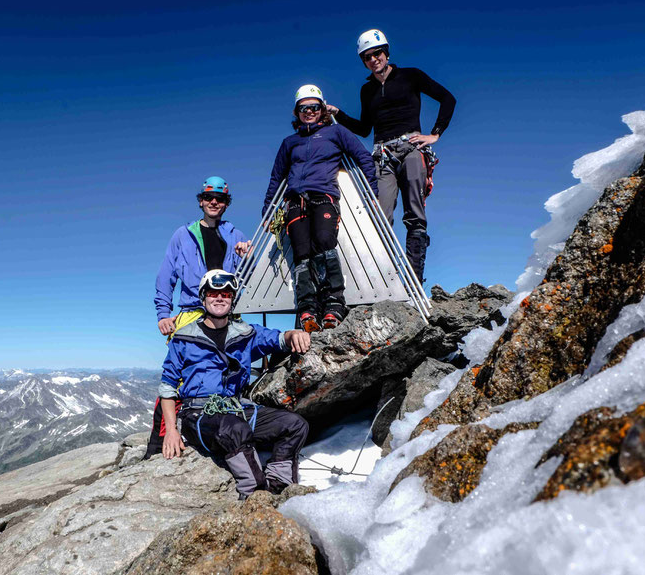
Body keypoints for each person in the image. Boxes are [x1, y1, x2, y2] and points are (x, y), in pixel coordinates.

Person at [159, 269, 312, 500]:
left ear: (233, 299)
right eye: (213, 292)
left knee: (294, 425)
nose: (219, 297)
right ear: (203, 297)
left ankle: (279, 487)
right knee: (234, 428)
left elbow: (278, 339)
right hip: (198, 414)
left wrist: (293, 334)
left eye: (226, 293)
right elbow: (168, 387)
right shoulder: (184, 338)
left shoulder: (246, 334)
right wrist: (171, 431)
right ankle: (255, 497)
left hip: (236, 408)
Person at [327, 29, 456, 283]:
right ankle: (383, 278)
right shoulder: (367, 91)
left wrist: (435, 134)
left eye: (377, 53)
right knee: (380, 216)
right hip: (383, 155)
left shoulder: (411, 76)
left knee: (414, 214)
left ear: (386, 52)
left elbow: (447, 99)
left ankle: (414, 278)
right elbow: (365, 128)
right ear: (363, 61)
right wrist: (338, 113)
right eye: (367, 57)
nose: (373, 59)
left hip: (411, 148)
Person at [262, 84, 378, 332]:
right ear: (297, 112)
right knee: (302, 254)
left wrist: (372, 194)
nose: (309, 112)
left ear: (322, 109)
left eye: (314, 107)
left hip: (324, 197)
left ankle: (334, 304)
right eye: (303, 108)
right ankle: (307, 309)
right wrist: (268, 211)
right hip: (295, 203)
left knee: (325, 243)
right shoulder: (289, 142)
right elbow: (276, 178)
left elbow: (364, 158)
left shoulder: (336, 133)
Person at [154, 176, 251, 336]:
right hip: (192, 314)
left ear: (226, 204)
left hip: (229, 317)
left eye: (219, 198)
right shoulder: (183, 235)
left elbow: (250, 282)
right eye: (208, 197)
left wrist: (248, 259)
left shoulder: (237, 236)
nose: (213, 202)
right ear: (201, 201)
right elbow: (166, 276)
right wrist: (163, 315)